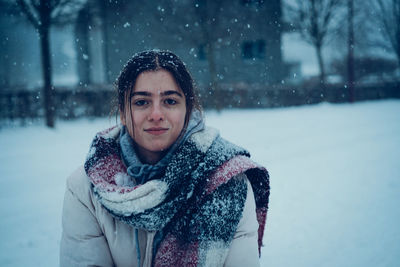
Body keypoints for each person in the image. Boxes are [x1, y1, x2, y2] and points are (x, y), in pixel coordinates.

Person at [60, 50, 270, 267]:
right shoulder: (86, 189)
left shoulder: (228, 182)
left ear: (188, 109)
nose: (156, 114)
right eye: (141, 102)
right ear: (123, 112)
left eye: (170, 101)